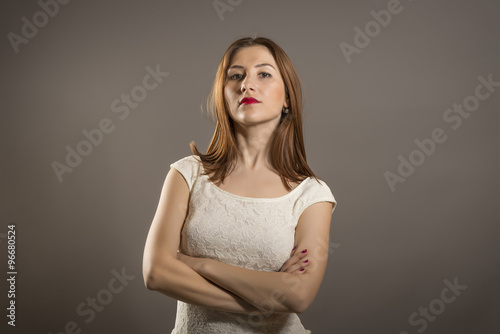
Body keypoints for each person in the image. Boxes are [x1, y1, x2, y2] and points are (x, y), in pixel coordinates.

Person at [142, 36, 338, 333]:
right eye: (236, 75)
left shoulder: (311, 194)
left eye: (264, 74)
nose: (247, 84)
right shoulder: (187, 174)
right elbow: (156, 273)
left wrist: (199, 265)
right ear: (223, 94)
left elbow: (299, 294)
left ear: (287, 98)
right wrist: (266, 300)